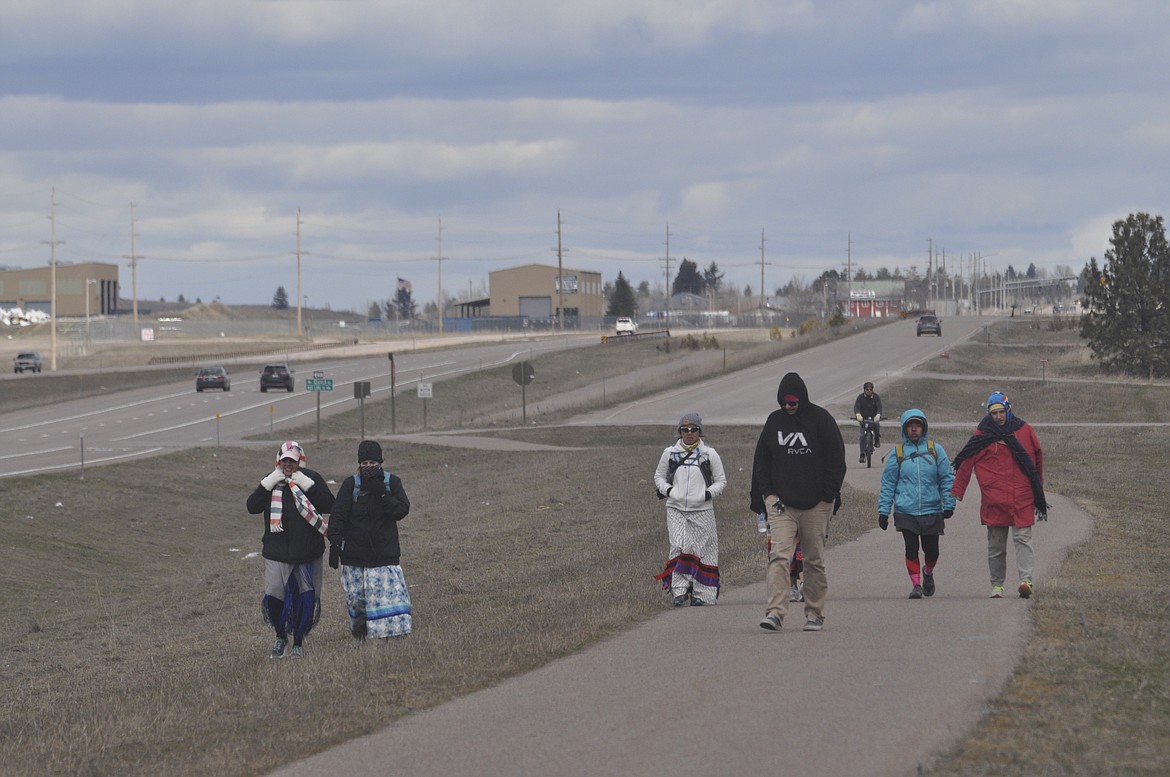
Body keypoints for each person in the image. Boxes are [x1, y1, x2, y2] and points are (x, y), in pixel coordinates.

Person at [752, 372, 846, 632]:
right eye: (784, 403)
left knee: (813, 560)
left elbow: (836, 460)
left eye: (793, 403)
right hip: (782, 504)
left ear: (802, 399)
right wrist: (767, 495)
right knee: (779, 556)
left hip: (817, 504)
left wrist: (829, 495)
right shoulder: (774, 422)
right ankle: (775, 612)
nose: (788, 408)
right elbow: (761, 461)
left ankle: (814, 613)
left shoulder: (821, 420)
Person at [951, 391, 1048, 599]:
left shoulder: (1024, 430)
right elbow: (966, 461)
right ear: (989, 414)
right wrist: (958, 491)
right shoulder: (982, 435)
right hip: (994, 500)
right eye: (994, 413)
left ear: (1008, 409)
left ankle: (1026, 580)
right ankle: (997, 585)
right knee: (996, 547)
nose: (998, 417)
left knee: (1023, 540)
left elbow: (1037, 459)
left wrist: (1038, 488)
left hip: (1021, 497)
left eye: (1001, 412)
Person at [246, 441, 335, 658]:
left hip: (307, 552)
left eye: (292, 461)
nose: (288, 465)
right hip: (277, 552)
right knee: (275, 594)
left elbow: (329, 504)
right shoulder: (271, 481)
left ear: (299, 461)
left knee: (306, 597)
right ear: (279, 461)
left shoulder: (311, 478)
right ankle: (280, 636)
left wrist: (307, 485)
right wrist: (266, 485)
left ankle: (298, 642)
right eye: (284, 460)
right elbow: (252, 507)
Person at [328, 440, 413, 640]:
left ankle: (393, 634)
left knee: (387, 598)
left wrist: (381, 493)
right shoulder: (351, 485)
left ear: (380, 462)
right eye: (364, 463)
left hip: (384, 555)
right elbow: (338, 515)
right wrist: (334, 543)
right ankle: (360, 632)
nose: (368, 467)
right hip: (354, 557)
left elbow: (401, 510)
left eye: (372, 463)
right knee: (356, 600)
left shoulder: (392, 483)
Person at [877, 409, 956, 599]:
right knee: (911, 548)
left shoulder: (935, 450)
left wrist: (949, 503)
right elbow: (888, 483)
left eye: (917, 426)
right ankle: (916, 585)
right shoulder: (898, 453)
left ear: (923, 428)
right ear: (904, 429)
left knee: (932, 551)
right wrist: (883, 511)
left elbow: (947, 478)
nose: (914, 430)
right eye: (910, 426)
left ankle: (927, 572)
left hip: (931, 509)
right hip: (906, 511)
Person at [653, 413, 728, 606]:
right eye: (685, 430)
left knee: (703, 549)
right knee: (678, 545)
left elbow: (721, 481)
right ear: (679, 432)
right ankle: (679, 590)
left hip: (702, 510)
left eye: (693, 429)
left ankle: (702, 594)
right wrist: (669, 490)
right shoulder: (669, 453)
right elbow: (659, 476)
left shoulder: (709, 454)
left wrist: (707, 494)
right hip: (675, 508)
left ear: (700, 431)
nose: (689, 433)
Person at [853, 381, 883, 462]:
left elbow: (879, 407)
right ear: (864, 390)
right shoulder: (860, 398)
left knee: (877, 425)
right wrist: (858, 414)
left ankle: (877, 439)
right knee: (862, 436)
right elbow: (857, 407)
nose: (869, 391)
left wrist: (878, 414)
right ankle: (862, 454)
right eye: (867, 389)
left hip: (874, 418)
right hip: (863, 419)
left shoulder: (876, 397)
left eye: (870, 389)